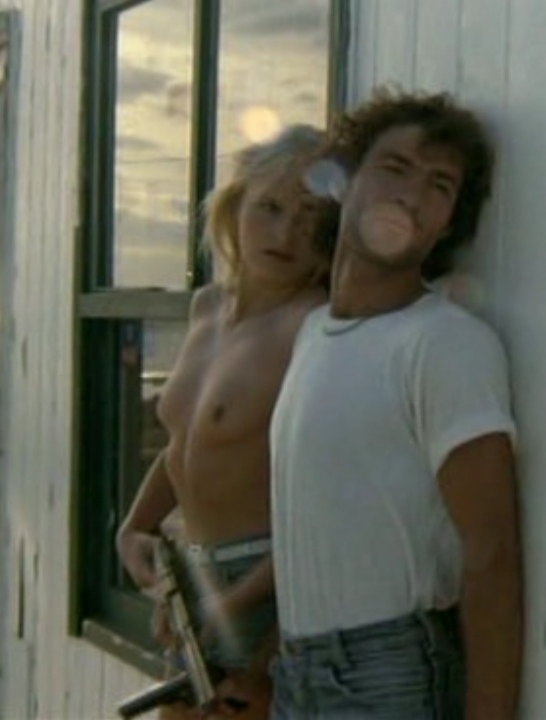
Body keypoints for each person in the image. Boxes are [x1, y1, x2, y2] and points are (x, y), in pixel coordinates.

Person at [268, 88, 523, 719]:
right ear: (343, 184)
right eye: (395, 168)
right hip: (298, 672)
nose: (412, 196)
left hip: (391, 673)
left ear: (448, 222)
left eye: (440, 185)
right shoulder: (313, 333)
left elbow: (492, 555)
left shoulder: (446, 343)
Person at [115, 124, 338, 719]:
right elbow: (187, 442)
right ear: (235, 206)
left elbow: (332, 502)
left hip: (270, 586)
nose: (285, 234)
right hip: (193, 580)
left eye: (311, 219)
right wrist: (133, 528)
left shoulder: (313, 325)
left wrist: (268, 651)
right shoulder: (208, 307)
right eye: (270, 208)